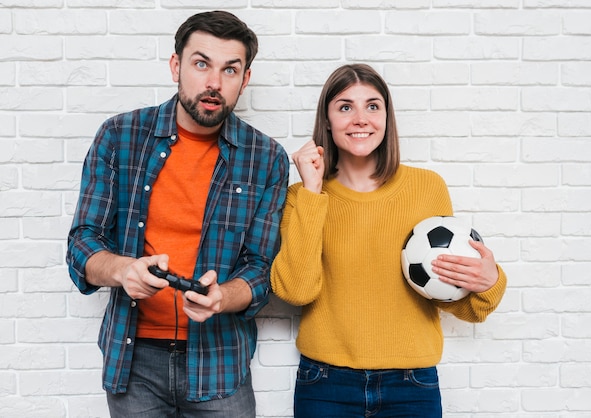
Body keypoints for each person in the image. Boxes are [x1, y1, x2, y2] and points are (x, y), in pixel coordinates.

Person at [66, 10, 289, 417]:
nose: (214, 83)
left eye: (230, 70)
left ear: (245, 79)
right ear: (176, 66)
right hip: (133, 363)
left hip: (220, 362)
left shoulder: (267, 157)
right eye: (201, 64)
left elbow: (260, 267)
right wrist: (122, 270)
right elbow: (82, 242)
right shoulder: (120, 136)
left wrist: (223, 297)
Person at [270, 63, 507, 417]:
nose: (360, 118)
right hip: (325, 384)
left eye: (373, 106)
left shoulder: (427, 188)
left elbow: (449, 294)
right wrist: (313, 192)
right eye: (345, 107)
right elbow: (297, 290)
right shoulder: (302, 197)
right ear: (328, 120)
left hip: (412, 385)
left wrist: (490, 282)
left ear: (387, 117)